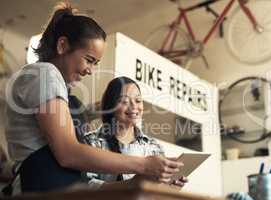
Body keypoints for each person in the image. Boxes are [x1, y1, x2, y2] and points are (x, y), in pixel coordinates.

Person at [3, 2, 183, 195]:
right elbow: (68, 153)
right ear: (62, 45)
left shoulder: (59, 89)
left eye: (95, 63)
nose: (90, 70)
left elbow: (84, 185)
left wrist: (138, 183)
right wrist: (143, 165)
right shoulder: (45, 74)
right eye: (89, 60)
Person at [84, 77, 188, 189]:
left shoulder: (153, 146)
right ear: (111, 106)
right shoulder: (90, 142)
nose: (134, 107)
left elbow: (155, 191)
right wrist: (131, 185)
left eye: (138, 101)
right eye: (124, 101)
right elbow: (84, 186)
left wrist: (170, 188)